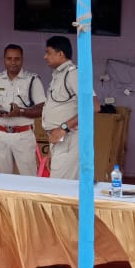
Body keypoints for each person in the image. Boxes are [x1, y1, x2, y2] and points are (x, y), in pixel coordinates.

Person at [42, 35, 100, 180]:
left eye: (48, 52)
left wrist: (63, 128)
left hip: (70, 138)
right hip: (59, 139)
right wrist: (51, 151)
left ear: (60, 54)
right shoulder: (59, 75)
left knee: (59, 190)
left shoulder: (73, 73)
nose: (45, 57)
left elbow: (93, 107)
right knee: (62, 188)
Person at [0, 44, 45, 175]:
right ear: (4, 60)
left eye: (17, 59)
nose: (13, 62)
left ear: (22, 59)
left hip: (23, 136)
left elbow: (42, 109)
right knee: (4, 179)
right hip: (1, 135)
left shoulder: (32, 80)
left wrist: (20, 112)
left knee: (29, 178)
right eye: (9, 58)